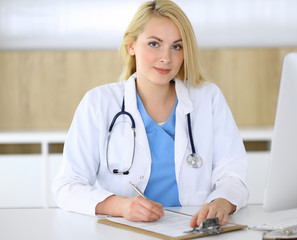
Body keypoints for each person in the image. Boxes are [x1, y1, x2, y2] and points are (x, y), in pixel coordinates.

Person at [52, 0, 248, 228]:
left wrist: (222, 203)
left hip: (195, 230)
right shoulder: (99, 103)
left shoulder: (208, 99)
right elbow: (67, 186)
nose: (166, 58)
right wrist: (121, 206)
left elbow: (233, 174)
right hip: (127, 231)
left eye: (177, 46)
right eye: (154, 44)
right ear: (131, 46)